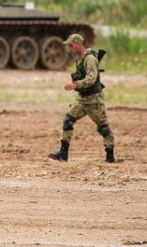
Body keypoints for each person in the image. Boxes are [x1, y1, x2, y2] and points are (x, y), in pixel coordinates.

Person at [49, 34, 115, 163]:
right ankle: (63, 154)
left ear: (78, 44)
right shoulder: (79, 58)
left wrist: (75, 85)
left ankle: (110, 155)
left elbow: (92, 78)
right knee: (68, 120)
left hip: (94, 101)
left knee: (103, 127)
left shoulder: (89, 59)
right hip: (83, 100)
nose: (70, 48)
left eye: (71, 45)